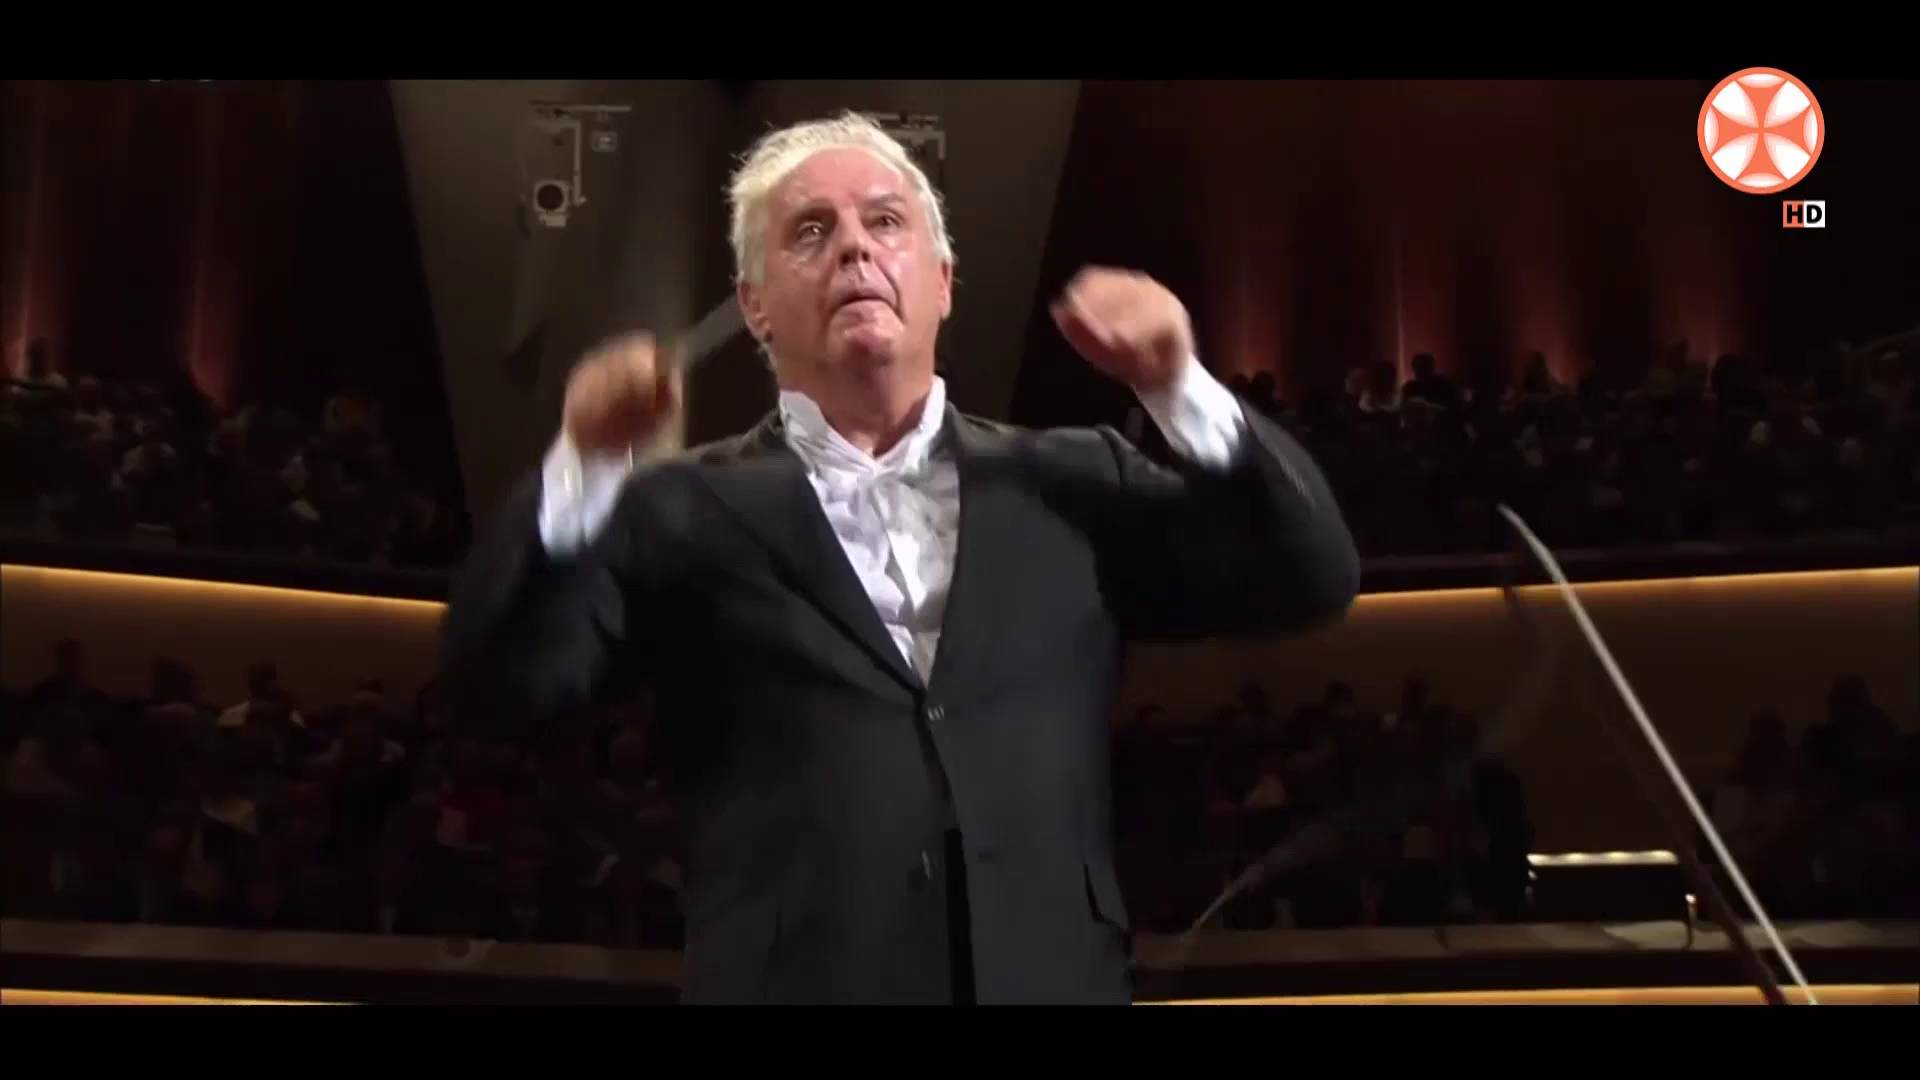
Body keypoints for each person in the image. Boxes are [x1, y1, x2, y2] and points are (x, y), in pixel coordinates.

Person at [441, 111, 1360, 1004]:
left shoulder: (1075, 480)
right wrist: (586, 462)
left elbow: (1307, 577)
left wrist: (1176, 384)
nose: (854, 247)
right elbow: (504, 682)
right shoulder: (673, 508)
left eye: (885, 222)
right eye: (811, 231)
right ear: (755, 306)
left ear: (943, 281)